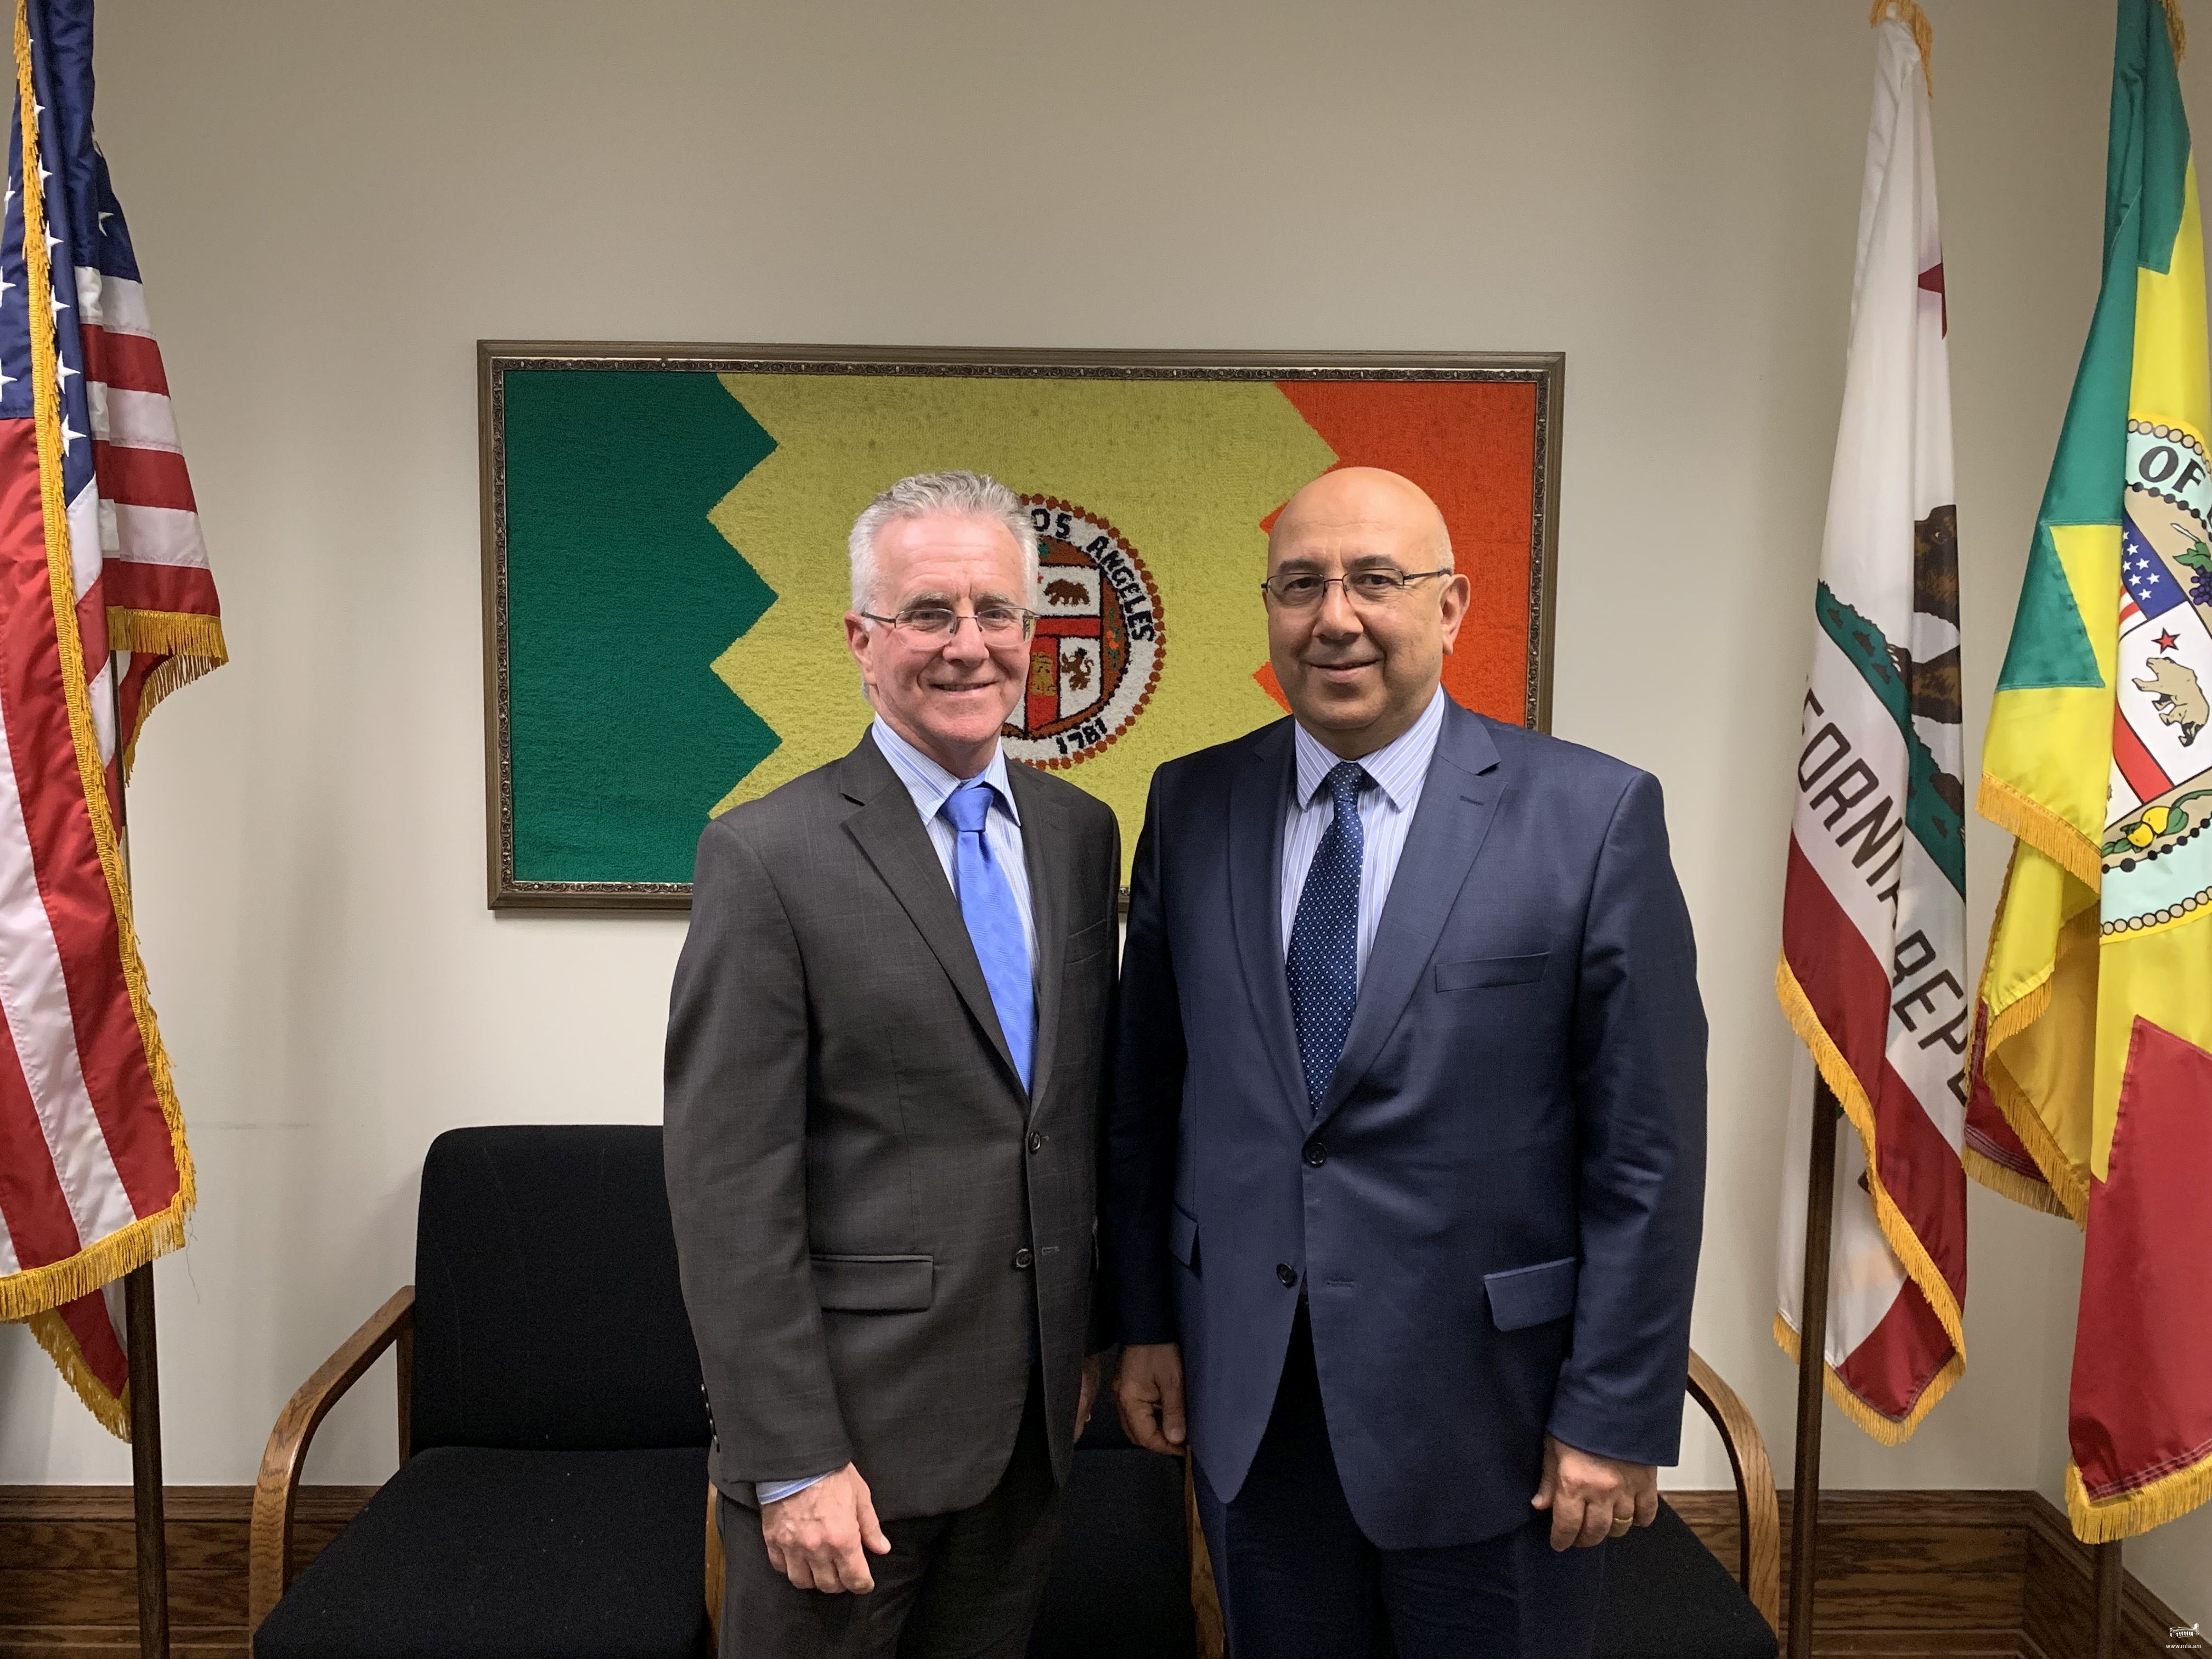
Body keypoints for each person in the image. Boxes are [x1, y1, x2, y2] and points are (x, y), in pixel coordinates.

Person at [1105, 466, 1706, 1657]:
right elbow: (1148, 1102)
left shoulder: (1591, 817)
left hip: (1501, 1425)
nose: (1336, 616)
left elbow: (1648, 1148)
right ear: (1271, 612)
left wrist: (1616, 1411)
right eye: (1301, 585)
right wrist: (1146, 1323)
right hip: (1253, 1406)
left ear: (1452, 606)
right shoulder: (1192, 803)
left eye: (1376, 580)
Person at [664, 470, 1121, 1659]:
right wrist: (791, 1460)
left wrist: (1097, 1340)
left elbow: (1066, 1124)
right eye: (929, 614)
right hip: (846, 1458)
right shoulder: (765, 857)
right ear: (863, 642)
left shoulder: (1080, 836)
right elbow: (728, 1193)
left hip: (1029, 1434)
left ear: (1031, 631)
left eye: (997, 612)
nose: (968, 646)